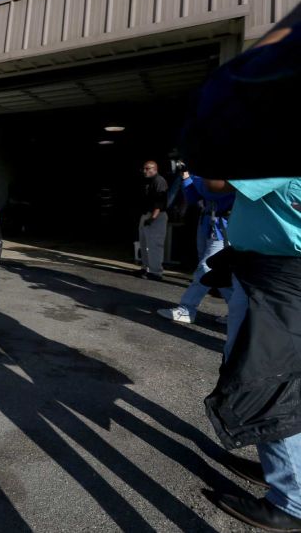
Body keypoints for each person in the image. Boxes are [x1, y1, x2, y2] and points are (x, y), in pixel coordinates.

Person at [202, 176, 301, 531]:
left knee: (265, 380)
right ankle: (286, 470)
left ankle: (292, 501)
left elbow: (214, 182)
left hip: (279, 280)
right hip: (273, 275)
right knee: (283, 378)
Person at [157, 170, 234, 324]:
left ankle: (187, 309)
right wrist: (186, 178)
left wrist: (195, 179)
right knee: (218, 272)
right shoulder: (201, 175)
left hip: (223, 228)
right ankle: (239, 312)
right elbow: (192, 197)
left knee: (205, 268)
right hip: (207, 225)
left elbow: (212, 191)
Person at [137, 161, 168, 281]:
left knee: (154, 245)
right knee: (144, 243)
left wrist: (153, 218)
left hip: (156, 215)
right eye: (144, 169)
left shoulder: (159, 181)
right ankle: (146, 267)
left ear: (154, 169)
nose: (145, 171)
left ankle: (156, 272)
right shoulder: (149, 181)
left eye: (147, 168)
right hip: (147, 214)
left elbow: (160, 201)